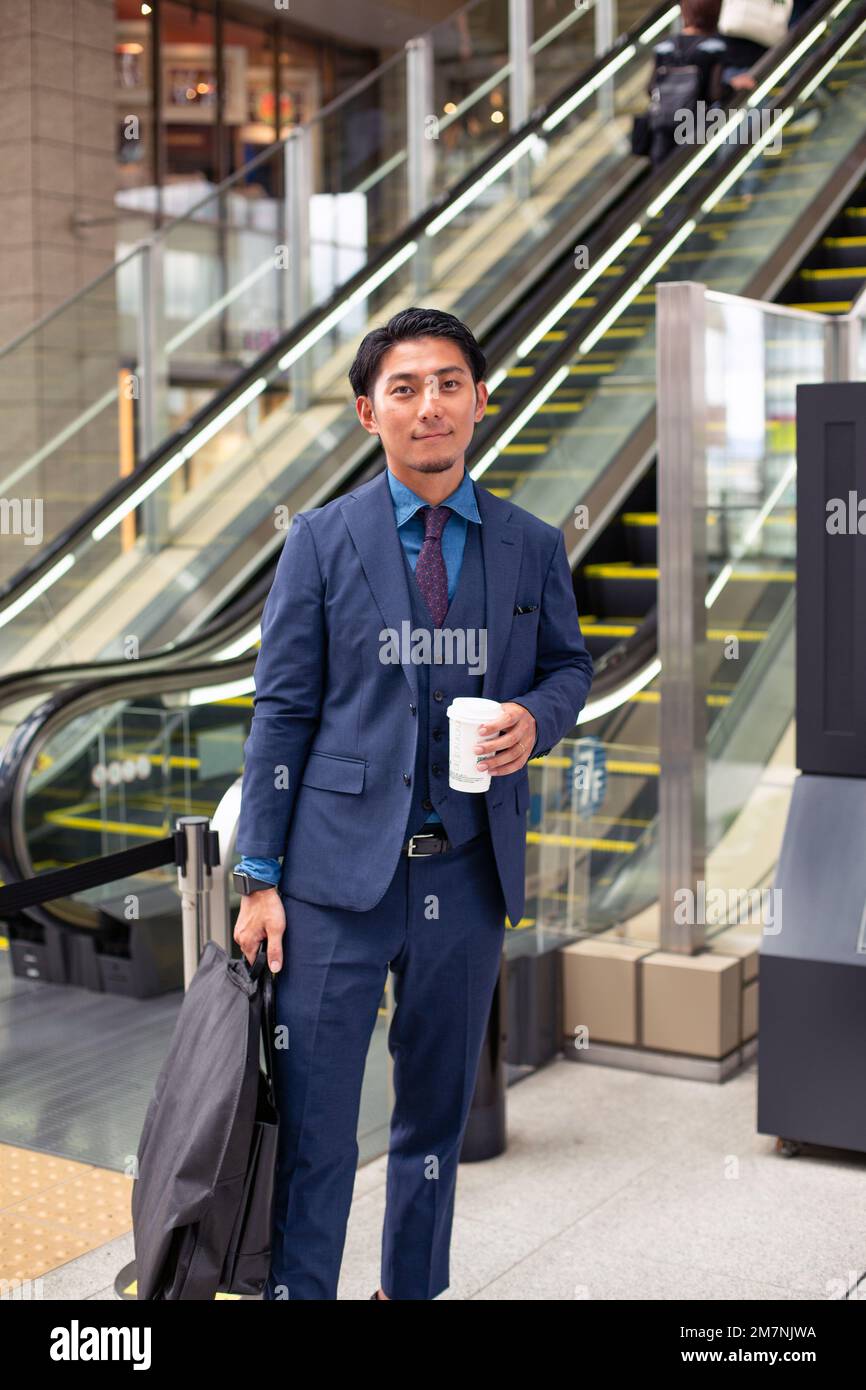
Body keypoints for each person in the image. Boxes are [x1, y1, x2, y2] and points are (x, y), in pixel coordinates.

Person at [232, 306, 594, 1301]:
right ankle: (299, 1290)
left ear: (480, 400)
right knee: (314, 1117)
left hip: (466, 876)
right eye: (403, 387)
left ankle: (412, 1287)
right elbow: (282, 706)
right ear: (366, 412)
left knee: (432, 1117)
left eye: (446, 383)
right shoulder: (319, 542)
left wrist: (536, 715)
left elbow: (568, 666)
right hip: (332, 881)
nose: (427, 404)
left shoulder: (526, 545)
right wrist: (259, 876)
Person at [647, 0, 755, 168]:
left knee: (662, 175)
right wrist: (733, 85)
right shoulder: (713, 47)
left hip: (664, 126)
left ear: (685, 12)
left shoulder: (664, 47)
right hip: (695, 126)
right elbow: (715, 93)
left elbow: (650, 88)